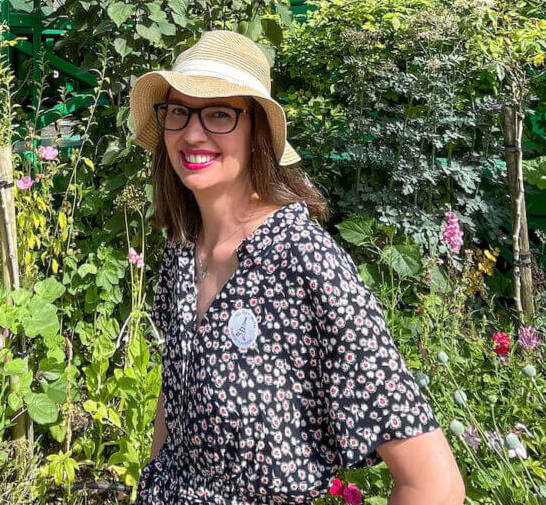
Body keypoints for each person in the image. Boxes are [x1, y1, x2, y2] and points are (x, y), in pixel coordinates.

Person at [129, 29, 465, 505]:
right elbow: (175, 397)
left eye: (220, 114)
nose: (192, 132)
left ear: (258, 134)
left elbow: (434, 483)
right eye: (178, 111)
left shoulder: (305, 263)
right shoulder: (184, 252)